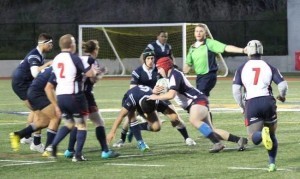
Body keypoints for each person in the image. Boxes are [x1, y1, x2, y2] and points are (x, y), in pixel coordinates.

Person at [148, 57, 248, 153]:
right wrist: (155, 92)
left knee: (193, 120)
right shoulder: (171, 76)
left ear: (165, 66)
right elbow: (168, 91)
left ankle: (217, 143)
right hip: (198, 101)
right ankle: (239, 140)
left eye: (159, 68)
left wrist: (155, 97)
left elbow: (171, 95)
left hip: (196, 101)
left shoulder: (174, 74)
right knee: (212, 131)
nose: (159, 71)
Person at [113, 48, 196, 148]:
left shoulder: (159, 69)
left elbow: (166, 81)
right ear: (144, 59)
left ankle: (187, 138)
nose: (151, 60)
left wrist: (164, 87)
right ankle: (122, 139)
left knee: (175, 117)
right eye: (148, 58)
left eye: (152, 58)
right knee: (130, 115)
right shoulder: (137, 72)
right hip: (143, 100)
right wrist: (151, 91)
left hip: (160, 97)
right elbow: (132, 89)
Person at [232, 40, 288, 172]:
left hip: (252, 103)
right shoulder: (269, 66)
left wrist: (242, 106)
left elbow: (236, 90)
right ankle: (272, 164)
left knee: (254, 138)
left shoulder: (242, 68)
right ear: (261, 51)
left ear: (248, 51)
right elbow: (283, 85)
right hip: (268, 102)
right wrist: (282, 96)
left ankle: (263, 135)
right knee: (272, 135)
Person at [63, 40, 119, 159]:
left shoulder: (79, 58)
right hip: (86, 95)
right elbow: (93, 79)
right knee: (97, 122)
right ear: (95, 50)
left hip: (74, 93)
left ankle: (69, 150)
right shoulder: (92, 60)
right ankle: (104, 151)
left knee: (78, 123)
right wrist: (102, 72)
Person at [49, 34, 98, 162]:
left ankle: (53, 145)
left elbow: (53, 79)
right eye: (74, 42)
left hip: (60, 95)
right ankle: (78, 155)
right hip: (74, 95)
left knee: (70, 123)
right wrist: (95, 72)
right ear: (71, 45)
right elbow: (89, 73)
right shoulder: (74, 58)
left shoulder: (56, 59)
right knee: (81, 125)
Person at [107, 85, 192, 152]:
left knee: (156, 127)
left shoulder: (156, 100)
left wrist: (174, 120)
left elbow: (173, 115)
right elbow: (120, 116)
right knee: (131, 116)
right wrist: (112, 132)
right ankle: (140, 143)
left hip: (146, 99)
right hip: (131, 97)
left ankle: (136, 129)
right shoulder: (132, 99)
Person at [11, 33, 53, 152]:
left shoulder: (38, 54)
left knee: (36, 111)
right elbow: (35, 73)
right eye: (50, 43)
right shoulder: (35, 55)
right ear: (43, 43)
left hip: (24, 84)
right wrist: (48, 64)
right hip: (22, 85)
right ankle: (35, 142)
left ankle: (28, 137)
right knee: (41, 115)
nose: (52, 46)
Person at [183, 24, 246, 97]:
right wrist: (181, 74)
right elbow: (188, 64)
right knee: (201, 98)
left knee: (200, 96)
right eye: (196, 31)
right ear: (194, 33)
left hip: (209, 76)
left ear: (205, 33)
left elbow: (226, 47)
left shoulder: (210, 43)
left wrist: (242, 50)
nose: (198, 33)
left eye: (201, 31)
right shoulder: (192, 47)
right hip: (199, 77)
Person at [9, 66, 60, 157]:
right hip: (38, 93)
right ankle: (48, 150)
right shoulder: (60, 68)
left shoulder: (54, 66)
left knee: (43, 121)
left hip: (33, 92)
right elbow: (49, 88)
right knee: (55, 117)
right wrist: (56, 104)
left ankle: (18, 135)